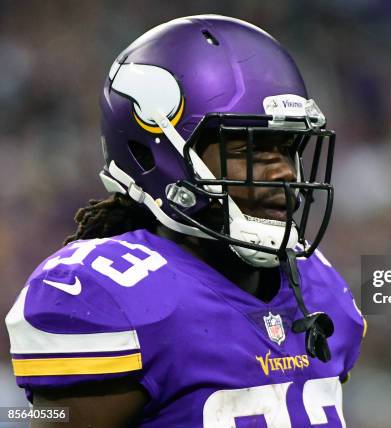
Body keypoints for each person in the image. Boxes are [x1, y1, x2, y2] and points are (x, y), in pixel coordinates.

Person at [4, 15, 365, 427]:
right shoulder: (114, 293)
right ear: (159, 155)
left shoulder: (318, 288)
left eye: (287, 147)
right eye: (253, 150)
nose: (284, 172)